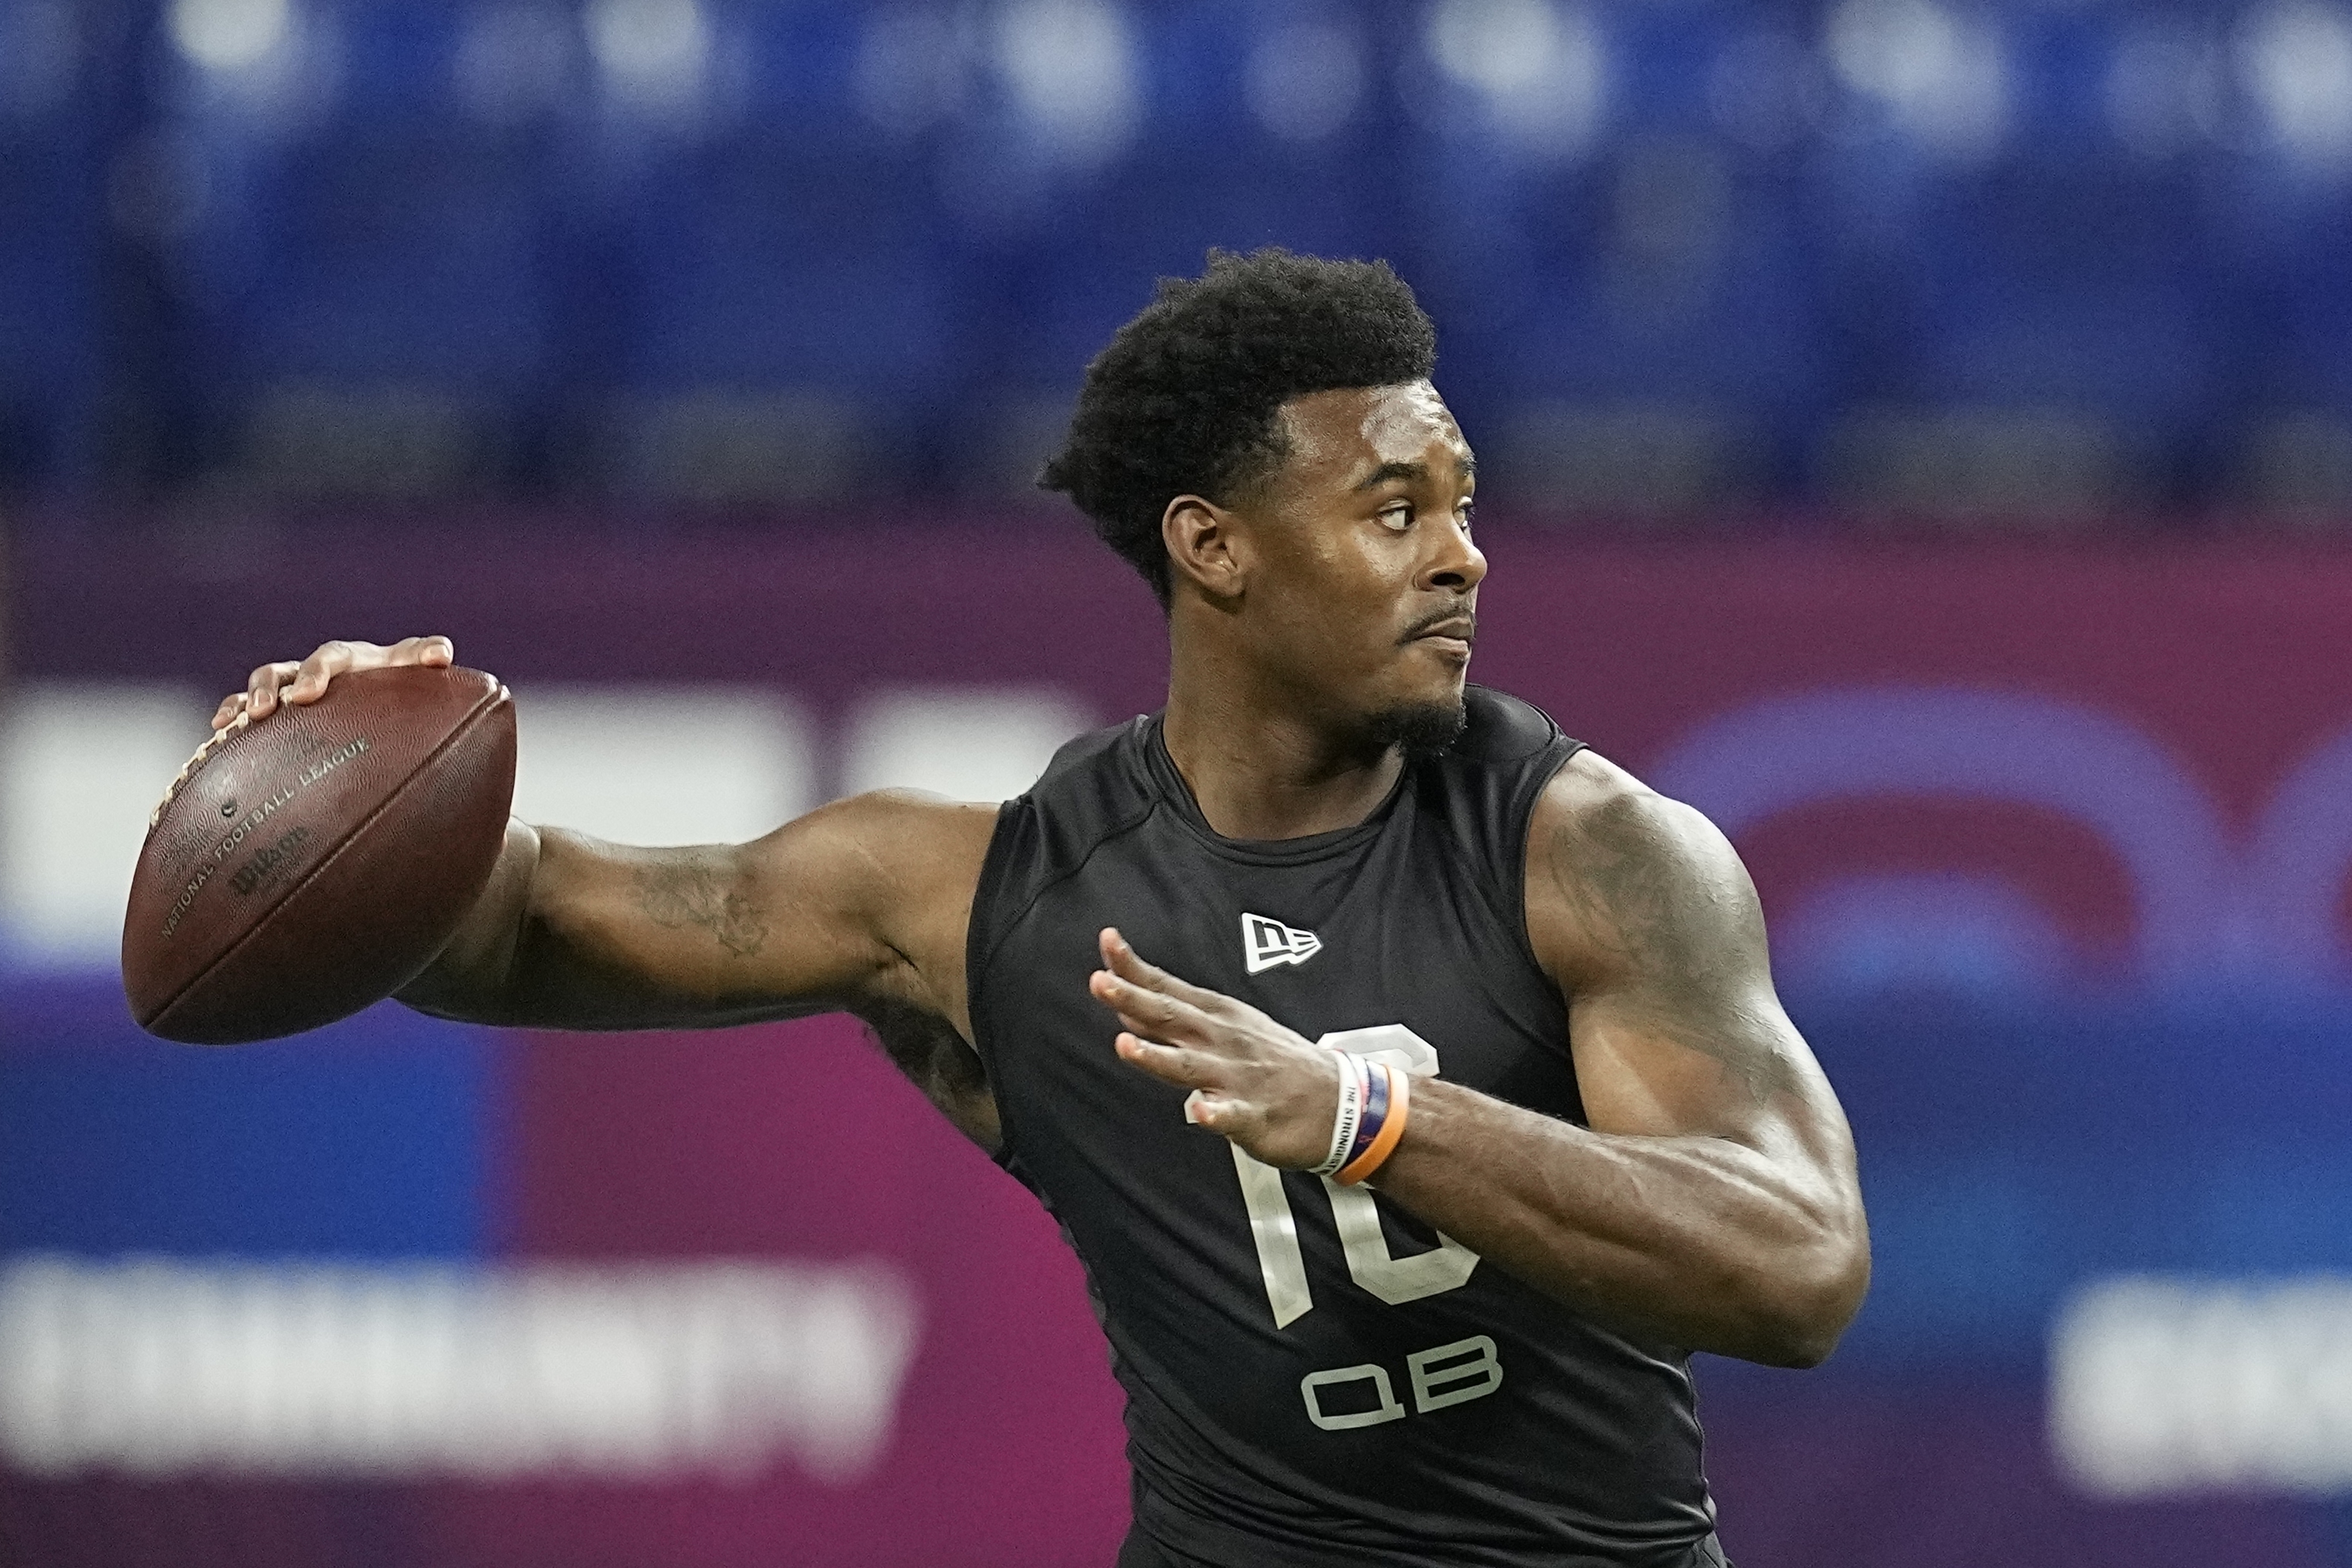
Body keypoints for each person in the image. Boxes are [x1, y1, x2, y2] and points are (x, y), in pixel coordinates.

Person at [216, 250, 1868, 1567]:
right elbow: (523, 929)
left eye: (1460, 501)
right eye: (1393, 508)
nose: (1463, 557)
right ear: (1212, 547)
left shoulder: (1590, 845)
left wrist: (1374, 1112)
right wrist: (354, 789)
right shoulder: (978, 886)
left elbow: (1796, 1264)